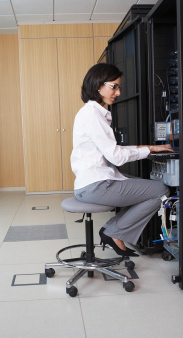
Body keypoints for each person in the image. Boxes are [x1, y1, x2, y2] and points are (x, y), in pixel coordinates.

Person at [71, 63, 173, 257]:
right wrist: (146, 151)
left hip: (89, 185)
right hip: (96, 186)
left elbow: (113, 150)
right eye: (114, 86)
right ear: (98, 85)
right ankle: (113, 232)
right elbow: (116, 156)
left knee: (135, 183)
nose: (118, 92)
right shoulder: (93, 115)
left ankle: (111, 231)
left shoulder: (90, 112)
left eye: (119, 87)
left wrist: (149, 148)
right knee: (160, 191)